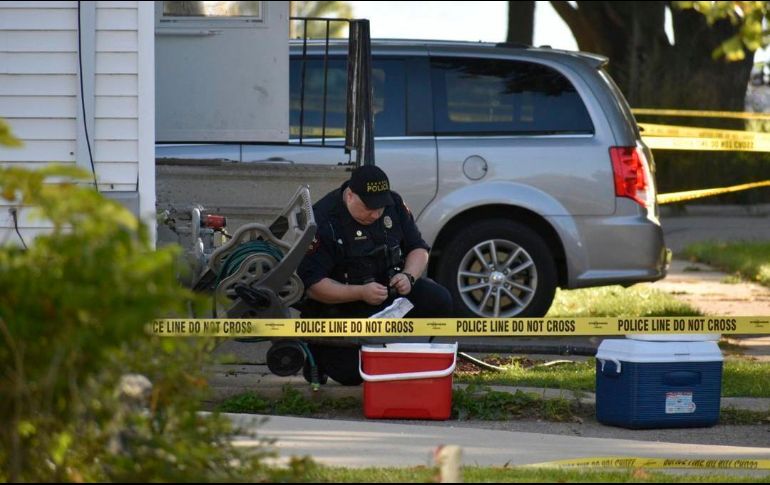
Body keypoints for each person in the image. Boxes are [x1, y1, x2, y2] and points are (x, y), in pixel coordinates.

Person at [297, 165, 453, 385]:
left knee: (440, 300)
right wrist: (360, 292)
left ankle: (409, 361)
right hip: (342, 307)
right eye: (369, 207)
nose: (376, 214)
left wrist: (408, 276)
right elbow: (314, 286)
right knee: (351, 374)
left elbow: (418, 248)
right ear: (350, 196)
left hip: (389, 294)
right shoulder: (324, 220)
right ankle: (318, 357)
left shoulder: (394, 204)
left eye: (380, 207)